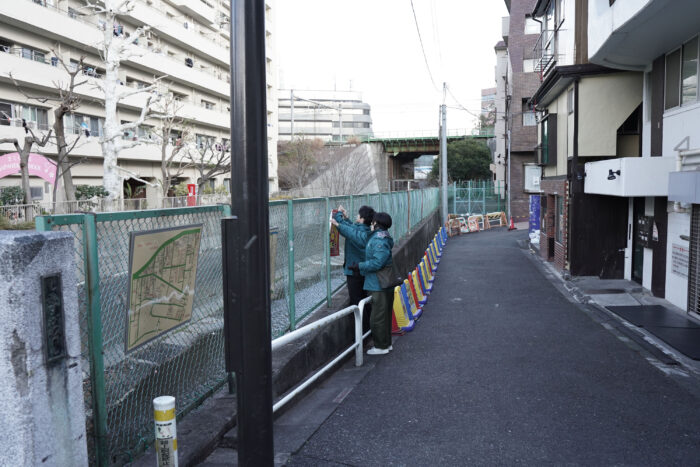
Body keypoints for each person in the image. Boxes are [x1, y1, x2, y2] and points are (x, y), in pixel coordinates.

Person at [352, 212, 394, 355]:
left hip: (378, 284)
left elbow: (377, 262)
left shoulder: (378, 239)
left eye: (372, 222)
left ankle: (381, 347)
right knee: (384, 315)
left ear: (376, 223)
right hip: (383, 283)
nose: (371, 224)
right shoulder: (384, 236)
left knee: (377, 317)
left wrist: (360, 266)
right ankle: (386, 343)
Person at [333, 205, 375, 316]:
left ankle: (363, 325)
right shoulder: (366, 231)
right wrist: (345, 218)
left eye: (358, 214)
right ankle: (367, 324)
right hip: (364, 271)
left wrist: (338, 214)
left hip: (354, 271)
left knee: (357, 301)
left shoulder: (359, 233)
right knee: (365, 300)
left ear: (362, 219)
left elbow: (349, 230)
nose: (357, 216)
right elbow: (351, 228)